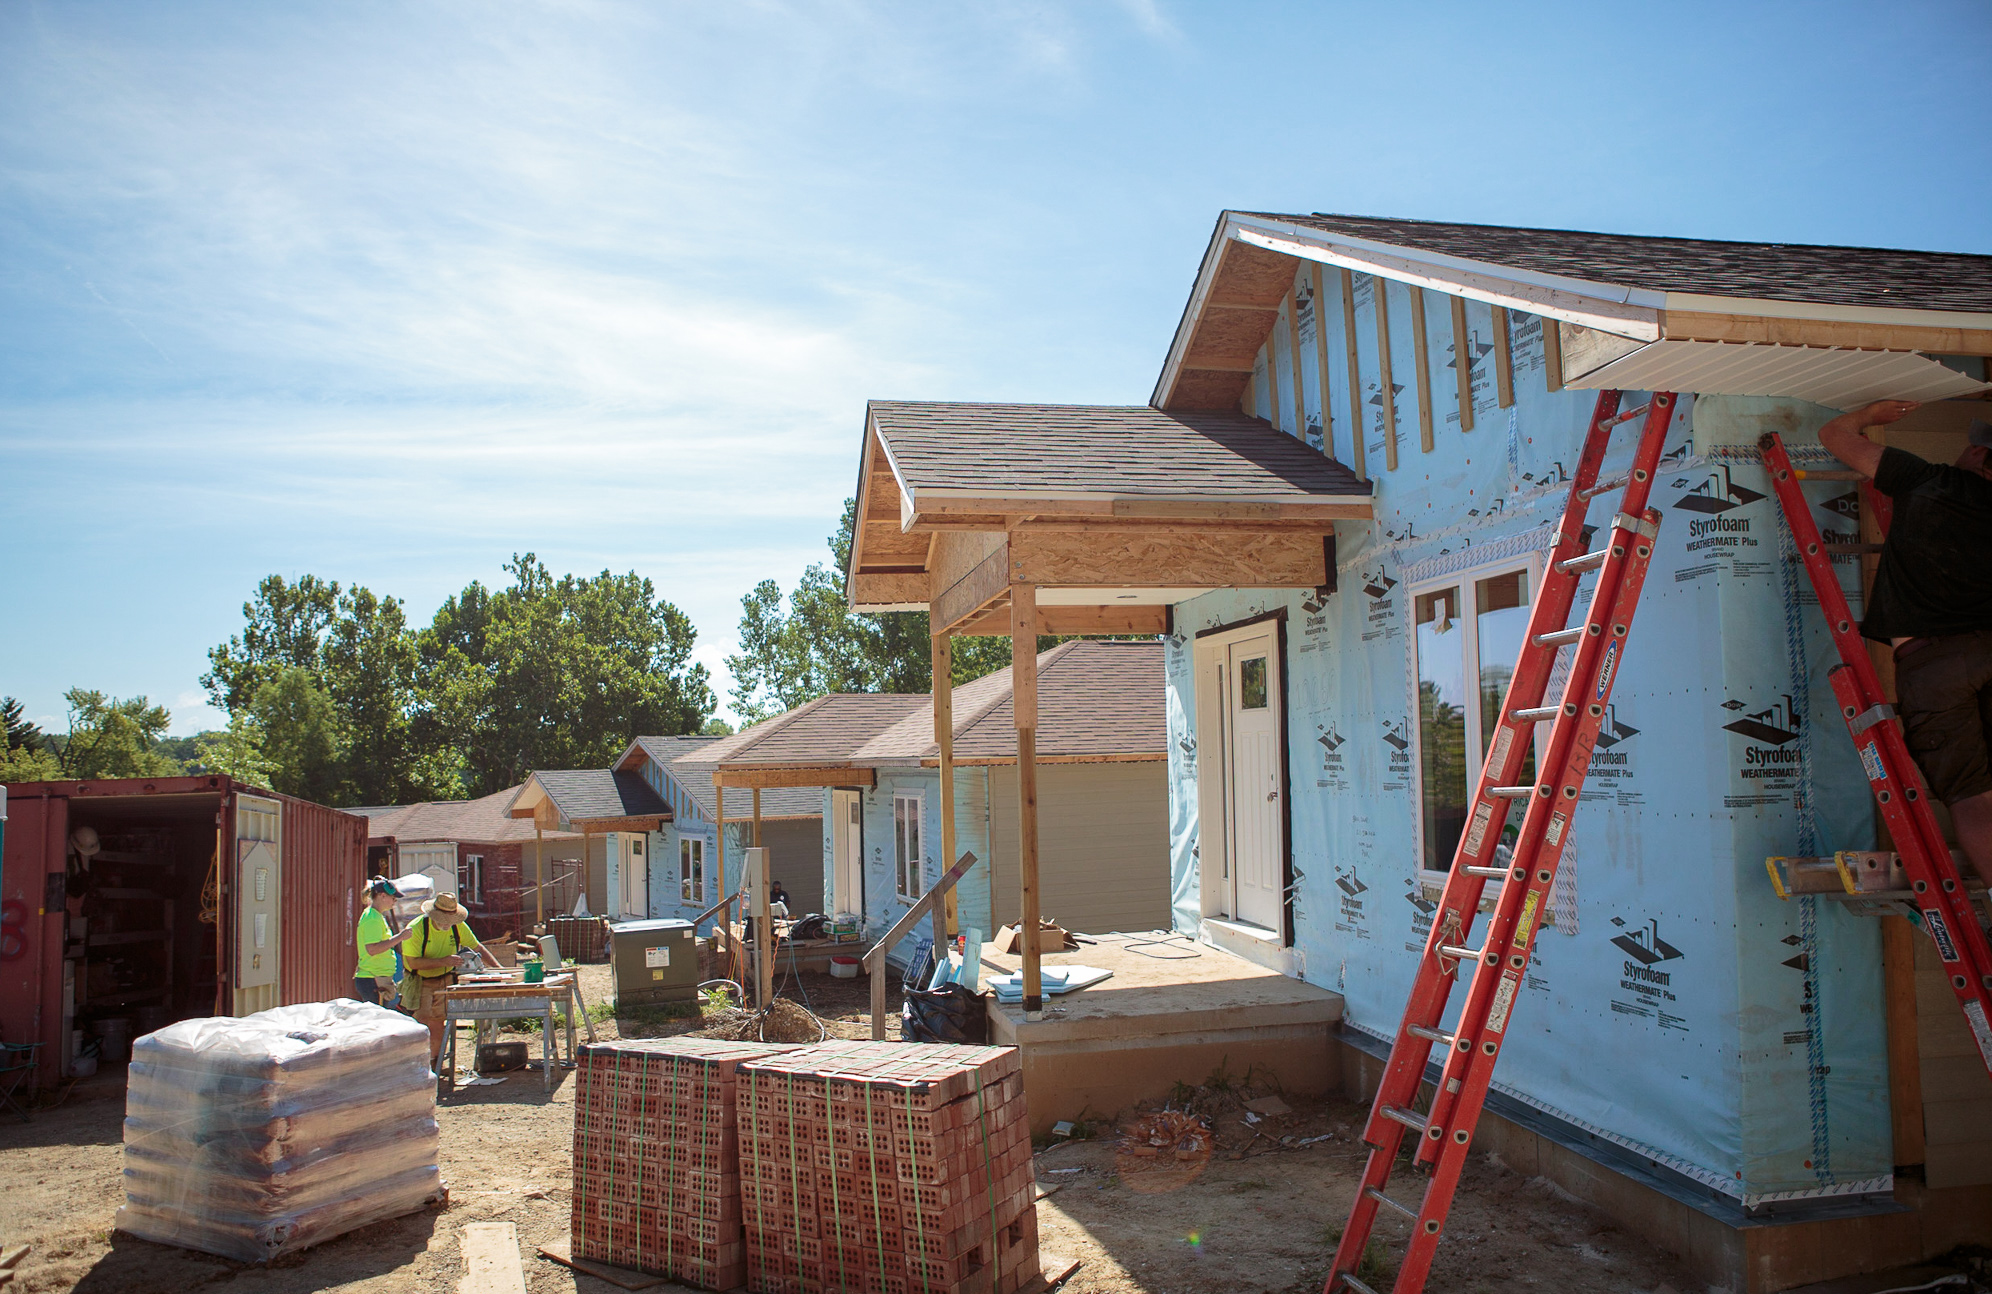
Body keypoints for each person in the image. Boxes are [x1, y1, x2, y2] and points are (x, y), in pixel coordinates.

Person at [1817, 400, 1992, 897]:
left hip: (1936, 664)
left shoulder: (1928, 480)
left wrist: (1868, 413)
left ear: (1979, 453)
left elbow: (1834, 433)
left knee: (1970, 795)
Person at [401, 891, 495, 1064]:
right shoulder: (416, 929)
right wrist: (443, 961)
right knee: (421, 1023)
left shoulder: (457, 925)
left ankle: (435, 1063)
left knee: (438, 1023)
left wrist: (498, 970)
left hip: (445, 979)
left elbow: (478, 947)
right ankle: (418, 1066)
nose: (447, 924)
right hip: (420, 981)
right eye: (443, 920)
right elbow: (412, 963)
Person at [353, 877, 415, 1006]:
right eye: (393, 898)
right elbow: (372, 949)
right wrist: (400, 937)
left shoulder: (376, 916)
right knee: (375, 1023)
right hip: (373, 979)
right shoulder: (372, 918)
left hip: (377, 978)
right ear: (382, 896)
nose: (394, 901)